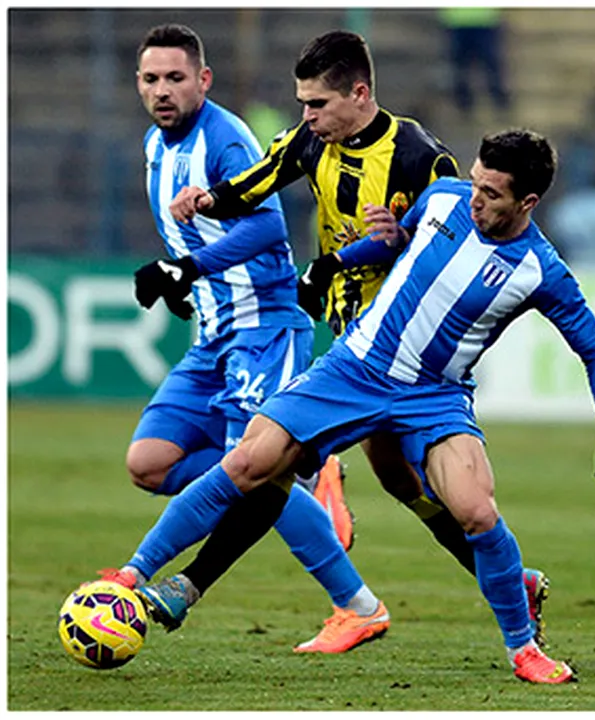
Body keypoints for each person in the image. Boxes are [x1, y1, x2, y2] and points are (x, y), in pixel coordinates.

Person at [133, 129, 595, 684]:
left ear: (528, 204)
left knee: (476, 510)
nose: (476, 198)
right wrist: (335, 262)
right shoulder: (445, 195)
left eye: (492, 194)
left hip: (434, 396)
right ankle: (137, 576)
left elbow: (594, 351)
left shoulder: (540, 270)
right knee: (250, 461)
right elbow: (400, 239)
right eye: (476, 183)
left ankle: (524, 651)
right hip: (356, 367)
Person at [165, 30, 553, 647]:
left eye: (316, 104)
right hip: (351, 335)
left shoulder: (421, 156)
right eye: (303, 105)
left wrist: (393, 240)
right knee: (399, 484)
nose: (306, 117)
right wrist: (209, 197)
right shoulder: (312, 141)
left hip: (402, 353)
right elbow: (262, 178)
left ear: (360, 93)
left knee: (274, 466)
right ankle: (511, 582)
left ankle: (192, 584)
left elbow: (457, 245)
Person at [118, 23, 387, 654]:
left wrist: (188, 268)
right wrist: (185, 280)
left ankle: (357, 605)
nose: (163, 91)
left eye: (176, 78)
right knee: (148, 463)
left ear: (202, 80)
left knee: (255, 474)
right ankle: (308, 475)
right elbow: (196, 237)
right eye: (152, 79)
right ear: (138, 84)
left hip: (265, 327)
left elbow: (267, 228)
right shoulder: (155, 146)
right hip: (213, 334)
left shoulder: (225, 140)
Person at [439, 7, 510, 118]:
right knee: (461, 66)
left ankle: (498, 100)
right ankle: (464, 103)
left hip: (483, 21)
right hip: (459, 21)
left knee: (488, 64)